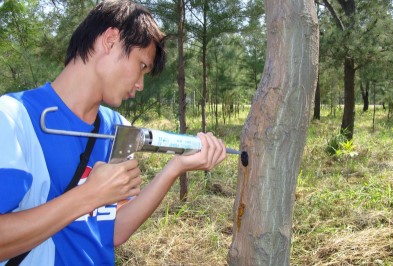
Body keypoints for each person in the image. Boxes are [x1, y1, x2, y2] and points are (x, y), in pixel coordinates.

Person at [0, 1, 226, 265]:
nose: (140, 84)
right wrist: (89, 195)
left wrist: (176, 168)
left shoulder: (118, 128)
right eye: (141, 65)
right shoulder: (13, 118)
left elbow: (113, 230)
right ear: (110, 40)